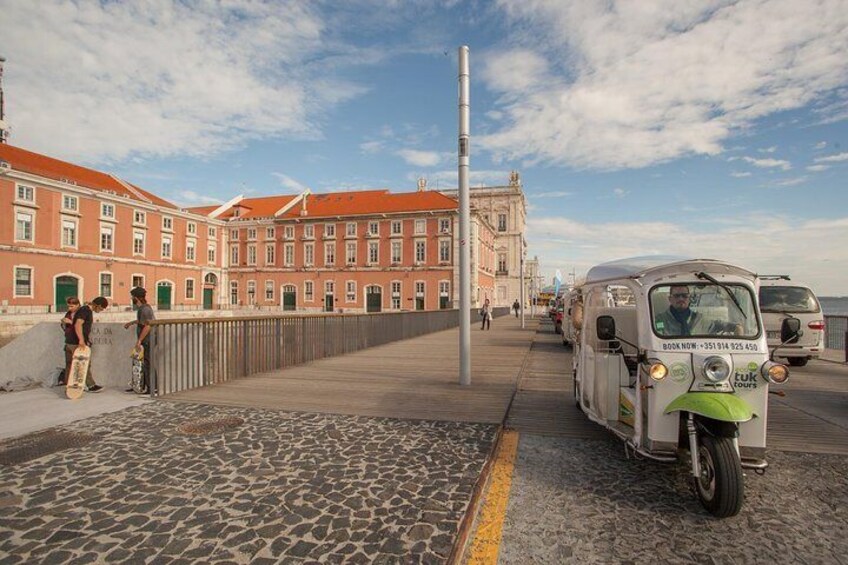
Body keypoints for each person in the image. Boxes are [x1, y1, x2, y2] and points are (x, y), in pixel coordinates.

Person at [64, 296, 109, 393]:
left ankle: (68, 386)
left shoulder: (82, 309)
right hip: (76, 342)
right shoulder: (86, 310)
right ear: (98, 305)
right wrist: (81, 340)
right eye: (101, 309)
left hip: (69, 341)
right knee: (84, 364)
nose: (101, 311)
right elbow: (78, 324)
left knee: (70, 365)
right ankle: (91, 385)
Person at [124, 287, 155, 393]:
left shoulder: (145, 309)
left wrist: (139, 340)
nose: (131, 298)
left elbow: (148, 326)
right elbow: (142, 321)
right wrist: (131, 323)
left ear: (136, 297)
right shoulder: (143, 309)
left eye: (132, 297)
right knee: (141, 363)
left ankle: (152, 387)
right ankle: (141, 386)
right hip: (145, 340)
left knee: (147, 363)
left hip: (147, 340)